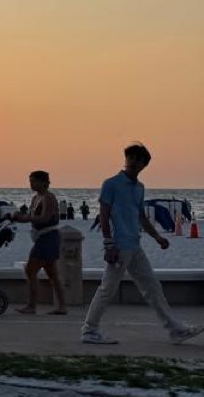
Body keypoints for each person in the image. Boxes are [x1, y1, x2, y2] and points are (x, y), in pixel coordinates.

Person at [81, 143, 202, 346]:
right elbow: (104, 214)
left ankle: (175, 329)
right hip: (119, 246)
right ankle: (89, 330)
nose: (133, 162)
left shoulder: (139, 188)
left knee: (153, 287)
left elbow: (141, 216)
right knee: (107, 289)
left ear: (144, 165)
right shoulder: (111, 184)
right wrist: (108, 243)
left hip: (134, 246)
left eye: (138, 159)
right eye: (131, 157)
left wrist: (157, 237)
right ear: (126, 159)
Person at [13, 170, 67, 315]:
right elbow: (31, 216)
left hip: (49, 237)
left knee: (30, 269)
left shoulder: (49, 198)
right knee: (52, 273)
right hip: (41, 237)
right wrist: (17, 216)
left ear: (44, 182)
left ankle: (32, 306)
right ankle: (61, 306)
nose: (31, 184)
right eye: (30, 181)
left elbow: (44, 219)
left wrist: (24, 219)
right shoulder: (35, 198)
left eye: (34, 181)